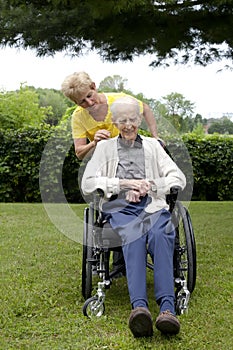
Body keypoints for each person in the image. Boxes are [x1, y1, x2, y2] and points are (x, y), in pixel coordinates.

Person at [81, 96, 186, 338]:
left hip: (152, 204)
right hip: (119, 206)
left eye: (132, 120)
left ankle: (167, 310)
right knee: (134, 235)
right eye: (122, 121)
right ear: (114, 122)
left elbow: (177, 177)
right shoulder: (105, 148)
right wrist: (124, 184)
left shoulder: (153, 146)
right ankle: (140, 308)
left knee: (162, 234)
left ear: (140, 120)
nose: (128, 125)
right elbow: (88, 183)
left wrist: (149, 185)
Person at [61, 71, 159, 160]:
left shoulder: (119, 100)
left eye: (89, 95)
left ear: (93, 86)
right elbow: (80, 154)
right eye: (82, 101)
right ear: (75, 102)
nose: (89, 103)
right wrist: (94, 143)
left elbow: (145, 108)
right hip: (105, 162)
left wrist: (155, 138)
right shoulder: (78, 117)